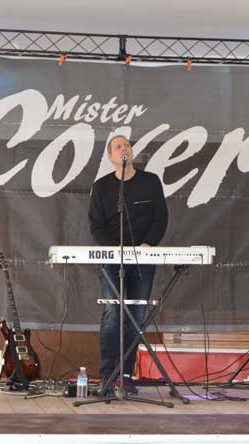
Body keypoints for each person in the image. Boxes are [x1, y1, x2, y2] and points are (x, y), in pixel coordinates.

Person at [88, 135, 168, 395]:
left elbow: (160, 218)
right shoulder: (101, 187)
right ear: (111, 157)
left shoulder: (150, 182)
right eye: (119, 146)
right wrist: (114, 249)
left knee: (136, 316)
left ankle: (125, 374)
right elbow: (96, 226)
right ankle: (107, 374)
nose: (125, 148)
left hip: (143, 259)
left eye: (128, 145)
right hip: (113, 260)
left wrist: (148, 243)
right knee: (113, 313)